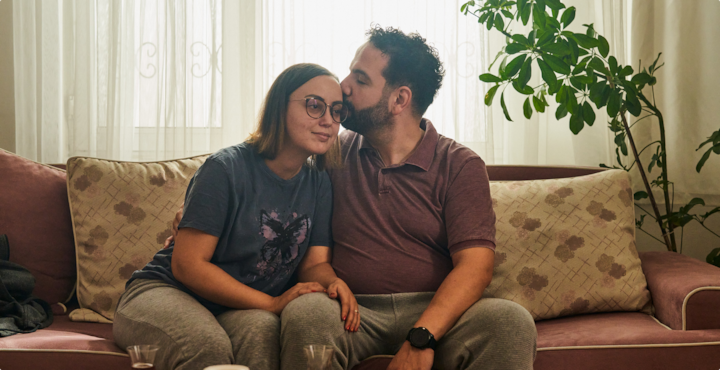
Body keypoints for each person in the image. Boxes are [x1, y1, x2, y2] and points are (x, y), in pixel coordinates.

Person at [278, 27, 537, 370]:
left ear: (399, 99)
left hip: (437, 311)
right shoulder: (331, 154)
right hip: (352, 311)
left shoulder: (460, 164)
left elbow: (475, 267)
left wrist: (423, 336)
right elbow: (272, 177)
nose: (344, 87)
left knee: (509, 321)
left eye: (361, 78)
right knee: (306, 314)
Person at [113, 63, 360, 370]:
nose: (328, 121)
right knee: (206, 345)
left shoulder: (319, 181)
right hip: (165, 291)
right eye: (314, 106)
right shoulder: (226, 168)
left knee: (264, 333)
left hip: (237, 307)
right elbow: (188, 266)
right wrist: (271, 303)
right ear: (278, 108)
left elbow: (315, 265)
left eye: (336, 111)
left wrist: (334, 283)